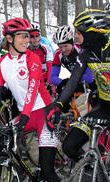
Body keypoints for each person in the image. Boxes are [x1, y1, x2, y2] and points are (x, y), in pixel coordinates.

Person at [0, 17, 60, 182]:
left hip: (44, 113)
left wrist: (25, 115)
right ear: (9, 38)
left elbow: (33, 88)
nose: (27, 40)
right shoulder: (1, 63)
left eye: (28, 36)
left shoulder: (32, 58)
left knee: (47, 171)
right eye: (22, 35)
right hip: (25, 114)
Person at [45, 9, 110, 162]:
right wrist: (58, 105)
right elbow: (73, 81)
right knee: (69, 146)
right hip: (103, 107)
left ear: (93, 32)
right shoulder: (86, 53)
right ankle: (92, 169)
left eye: (79, 32)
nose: (75, 36)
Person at [51, 25, 94, 113]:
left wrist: (70, 82)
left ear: (72, 43)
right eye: (60, 46)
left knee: (83, 109)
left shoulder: (82, 51)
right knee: (61, 104)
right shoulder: (58, 54)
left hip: (93, 81)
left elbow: (89, 77)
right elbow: (52, 77)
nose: (63, 49)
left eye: (66, 46)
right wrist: (64, 82)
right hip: (75, 82)